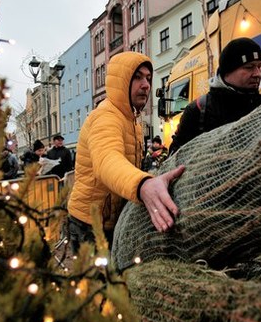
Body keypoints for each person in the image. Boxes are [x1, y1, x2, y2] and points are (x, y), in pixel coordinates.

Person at [67, 51, 185, 253]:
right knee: (99, 284)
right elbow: (107, 160)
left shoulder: (132, 121)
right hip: (90, 223)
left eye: (148, 78)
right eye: (138, 77)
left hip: (111, 220)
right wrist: (142, 185)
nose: (146, 84)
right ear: (121, 81)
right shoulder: (106, 116)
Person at [169, 37, 261, 155]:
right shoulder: (198, 110)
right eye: (249, 67)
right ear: (227, 71)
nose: (257, 74)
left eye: (259, 67)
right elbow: (176, 156)